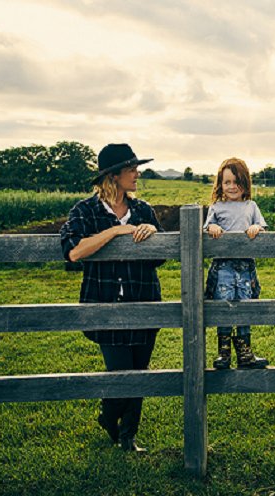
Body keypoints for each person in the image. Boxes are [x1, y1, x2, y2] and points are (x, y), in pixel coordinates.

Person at [59, 143, 163, 452]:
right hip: (105, 307)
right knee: (121, 376)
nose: (137, 173)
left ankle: (128, 437)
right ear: (114, 176)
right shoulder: (85, 211)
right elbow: (75, 252)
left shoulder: (143, 210)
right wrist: (116, 232)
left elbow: (159, 258)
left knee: (140, 375)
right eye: (131, 169)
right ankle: (109, 415)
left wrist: (150, 233)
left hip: (144, 303)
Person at [204, 157, 270, 370]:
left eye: (237, 182)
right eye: (227, 182)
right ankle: (223, 353)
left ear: (245, 183)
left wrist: (256, 228)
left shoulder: (251, 206)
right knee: (223, 307)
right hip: (223, 267)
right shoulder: (217, 207)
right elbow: (207, 228)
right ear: (220, 185)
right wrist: (212, 228)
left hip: (245, 268)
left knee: (245, 305)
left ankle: (245, 353)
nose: (232, 187)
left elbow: (261, 225)